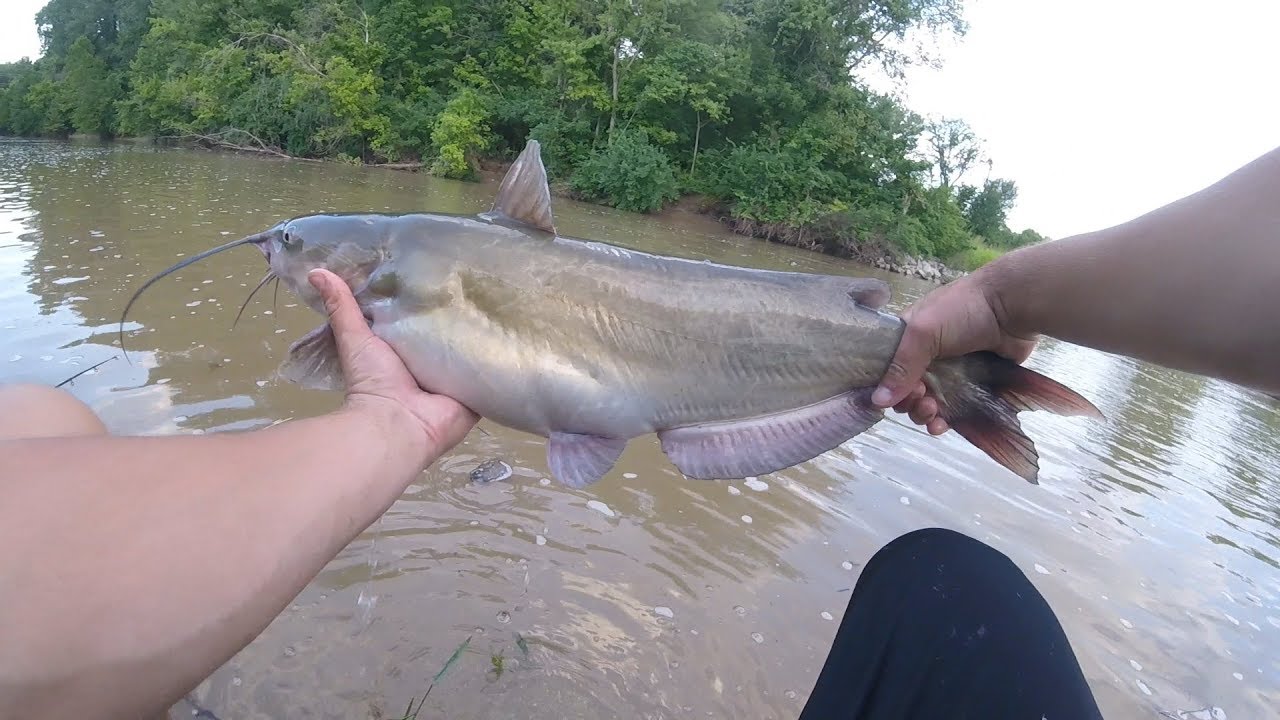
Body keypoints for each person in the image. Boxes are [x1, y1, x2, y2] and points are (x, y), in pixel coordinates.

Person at [1, 144, 1277, 720]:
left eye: (292, 250)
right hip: (930, 335)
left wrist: (981, 315)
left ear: (349, 275)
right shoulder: (405, 265)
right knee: (955, 586)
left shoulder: (395, 262)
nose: (280, 255)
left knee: (43, 417)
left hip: (857, 342)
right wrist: (990, 302)